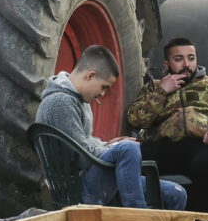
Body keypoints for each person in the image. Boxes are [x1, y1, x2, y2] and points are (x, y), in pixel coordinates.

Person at [35, 44, 187, 210]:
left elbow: (83, 142)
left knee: (176, 193)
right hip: (75, 191)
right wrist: (114, 148)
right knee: (128, 148)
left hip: (88, 180)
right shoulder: (61, 102)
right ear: (90, 76)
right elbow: (83, 158)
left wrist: (107, 144)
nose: (102, 94)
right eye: (104, 87)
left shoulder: (77, 99)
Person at [126, 36, 208, 212]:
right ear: (166, 64)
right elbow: (135, 119)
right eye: (179, 59)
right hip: (162, 146)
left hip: (202, 144)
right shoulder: (154, 87)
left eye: (191, 58)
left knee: (207, 164)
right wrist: (162, 91)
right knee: (131, 160)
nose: (186, 64)